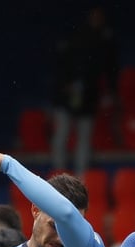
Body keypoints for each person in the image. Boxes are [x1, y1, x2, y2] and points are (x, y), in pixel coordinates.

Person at [49, 7, 117, 173]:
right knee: (62, 134)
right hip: (65, 99)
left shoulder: (103, 42)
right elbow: (59, 70)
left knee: (84, 139)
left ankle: (81, 178)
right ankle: (59, 174)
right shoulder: (72, 41)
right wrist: (67, 86)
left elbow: (108, 70)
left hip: (87, 99)